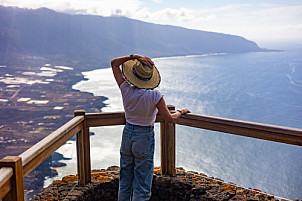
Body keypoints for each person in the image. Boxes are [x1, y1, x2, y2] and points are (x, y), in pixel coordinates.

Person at [111, 54, 190, 201]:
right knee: (142, 182)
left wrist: (134, 56)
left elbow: (114, 63)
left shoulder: (125, 89)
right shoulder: (155, 95)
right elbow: (169, 118)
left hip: (127, 134)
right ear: (149, 78)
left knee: (125, 179)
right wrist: (181, 112)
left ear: (134, 75)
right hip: (144, 137)